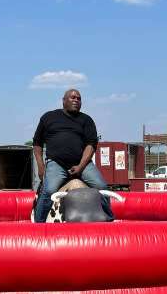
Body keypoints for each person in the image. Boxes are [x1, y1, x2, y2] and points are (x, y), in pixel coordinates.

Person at [32, 89, 113, 223]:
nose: (76, 100)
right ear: (63, 101)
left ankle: (108, 219)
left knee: (102, 186)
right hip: (56, 163)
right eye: (72, 97)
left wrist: (81, 166)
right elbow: (37, 143)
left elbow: (91, 145)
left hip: (82, 163)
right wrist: (41, 166)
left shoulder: (86, 120)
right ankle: (38, 226)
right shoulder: (48, 117)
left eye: (79, 98)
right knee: (49, 190)